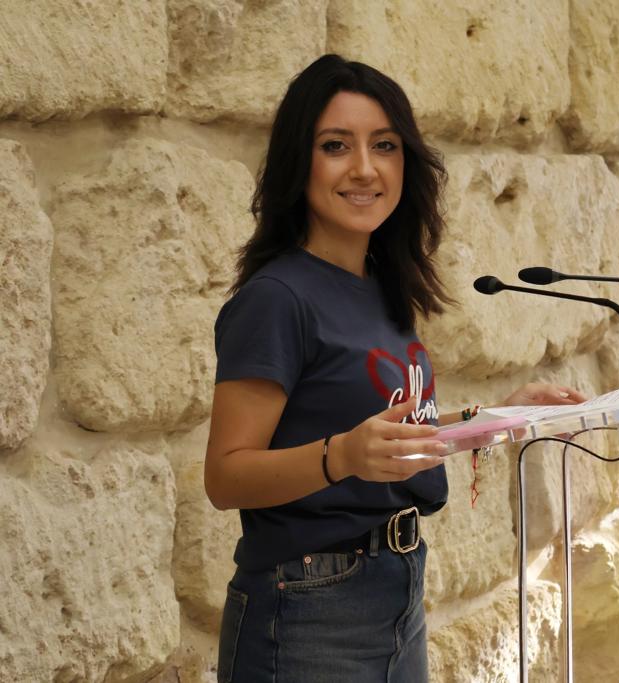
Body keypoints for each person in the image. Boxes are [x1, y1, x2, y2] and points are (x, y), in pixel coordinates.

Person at [205, 54, 586, 683]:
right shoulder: (278, 299)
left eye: (384, 145)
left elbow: (388, 437)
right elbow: (225, 476)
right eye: (336, 146)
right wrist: (341, 457)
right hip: (309, 606)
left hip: (398, 585)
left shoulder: (383, 287)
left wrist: (489, 416)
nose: (364, 168)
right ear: (299, 162)